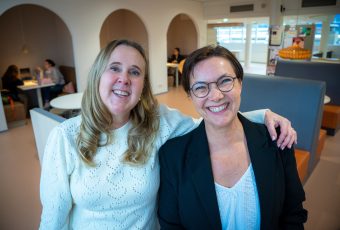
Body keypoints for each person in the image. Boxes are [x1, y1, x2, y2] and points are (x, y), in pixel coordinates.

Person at [39, 39, 297, 229]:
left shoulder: (156, 123)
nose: (124, 78)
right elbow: (52, 219)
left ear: (143, 86)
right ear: (97, 76)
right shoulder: (65, 137)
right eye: (114, 68)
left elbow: (208, 118)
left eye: (135, 72)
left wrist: (262, 116)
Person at [158, 45, 307, 229]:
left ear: (240, 84)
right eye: (200, 87)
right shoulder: (172, 156)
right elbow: (171, 225)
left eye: (225, 81)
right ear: (190, 96)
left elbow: (292, 215)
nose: (216, 95)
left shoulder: (276, 140)